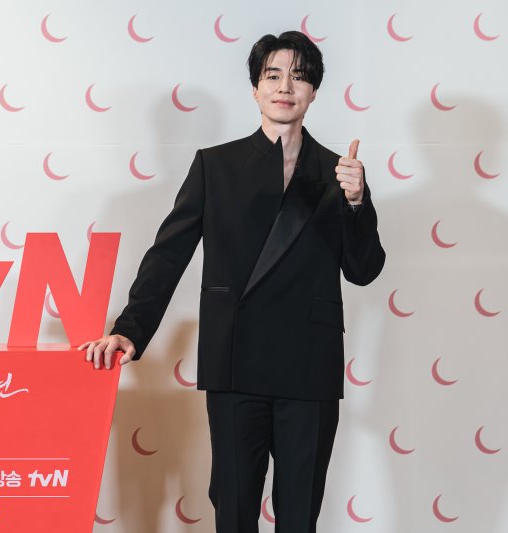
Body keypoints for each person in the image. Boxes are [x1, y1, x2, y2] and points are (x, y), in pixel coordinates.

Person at [79, 31, 385, 532]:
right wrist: (130, 329)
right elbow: (168, 255)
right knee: (235, 509)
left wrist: (356, 202)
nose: (285, 86)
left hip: (310, 365)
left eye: (299, 77)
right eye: (273, 75)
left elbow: (364, 269)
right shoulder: (214, 165)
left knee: (300, 516)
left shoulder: (339, 173)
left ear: (313, 92)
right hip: (235, 360)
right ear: (255, 89)